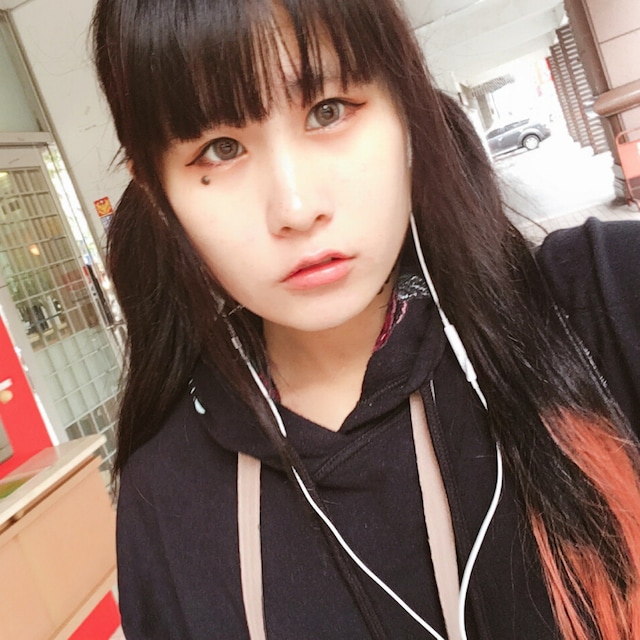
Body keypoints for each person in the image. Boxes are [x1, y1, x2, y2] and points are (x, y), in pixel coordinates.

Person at [92, 0, 640, 638]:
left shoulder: (602, 302)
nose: (296, 208)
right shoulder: (165, 498)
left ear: (406, 107)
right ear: (157, 193)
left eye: (328, 111)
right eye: (220, 149)